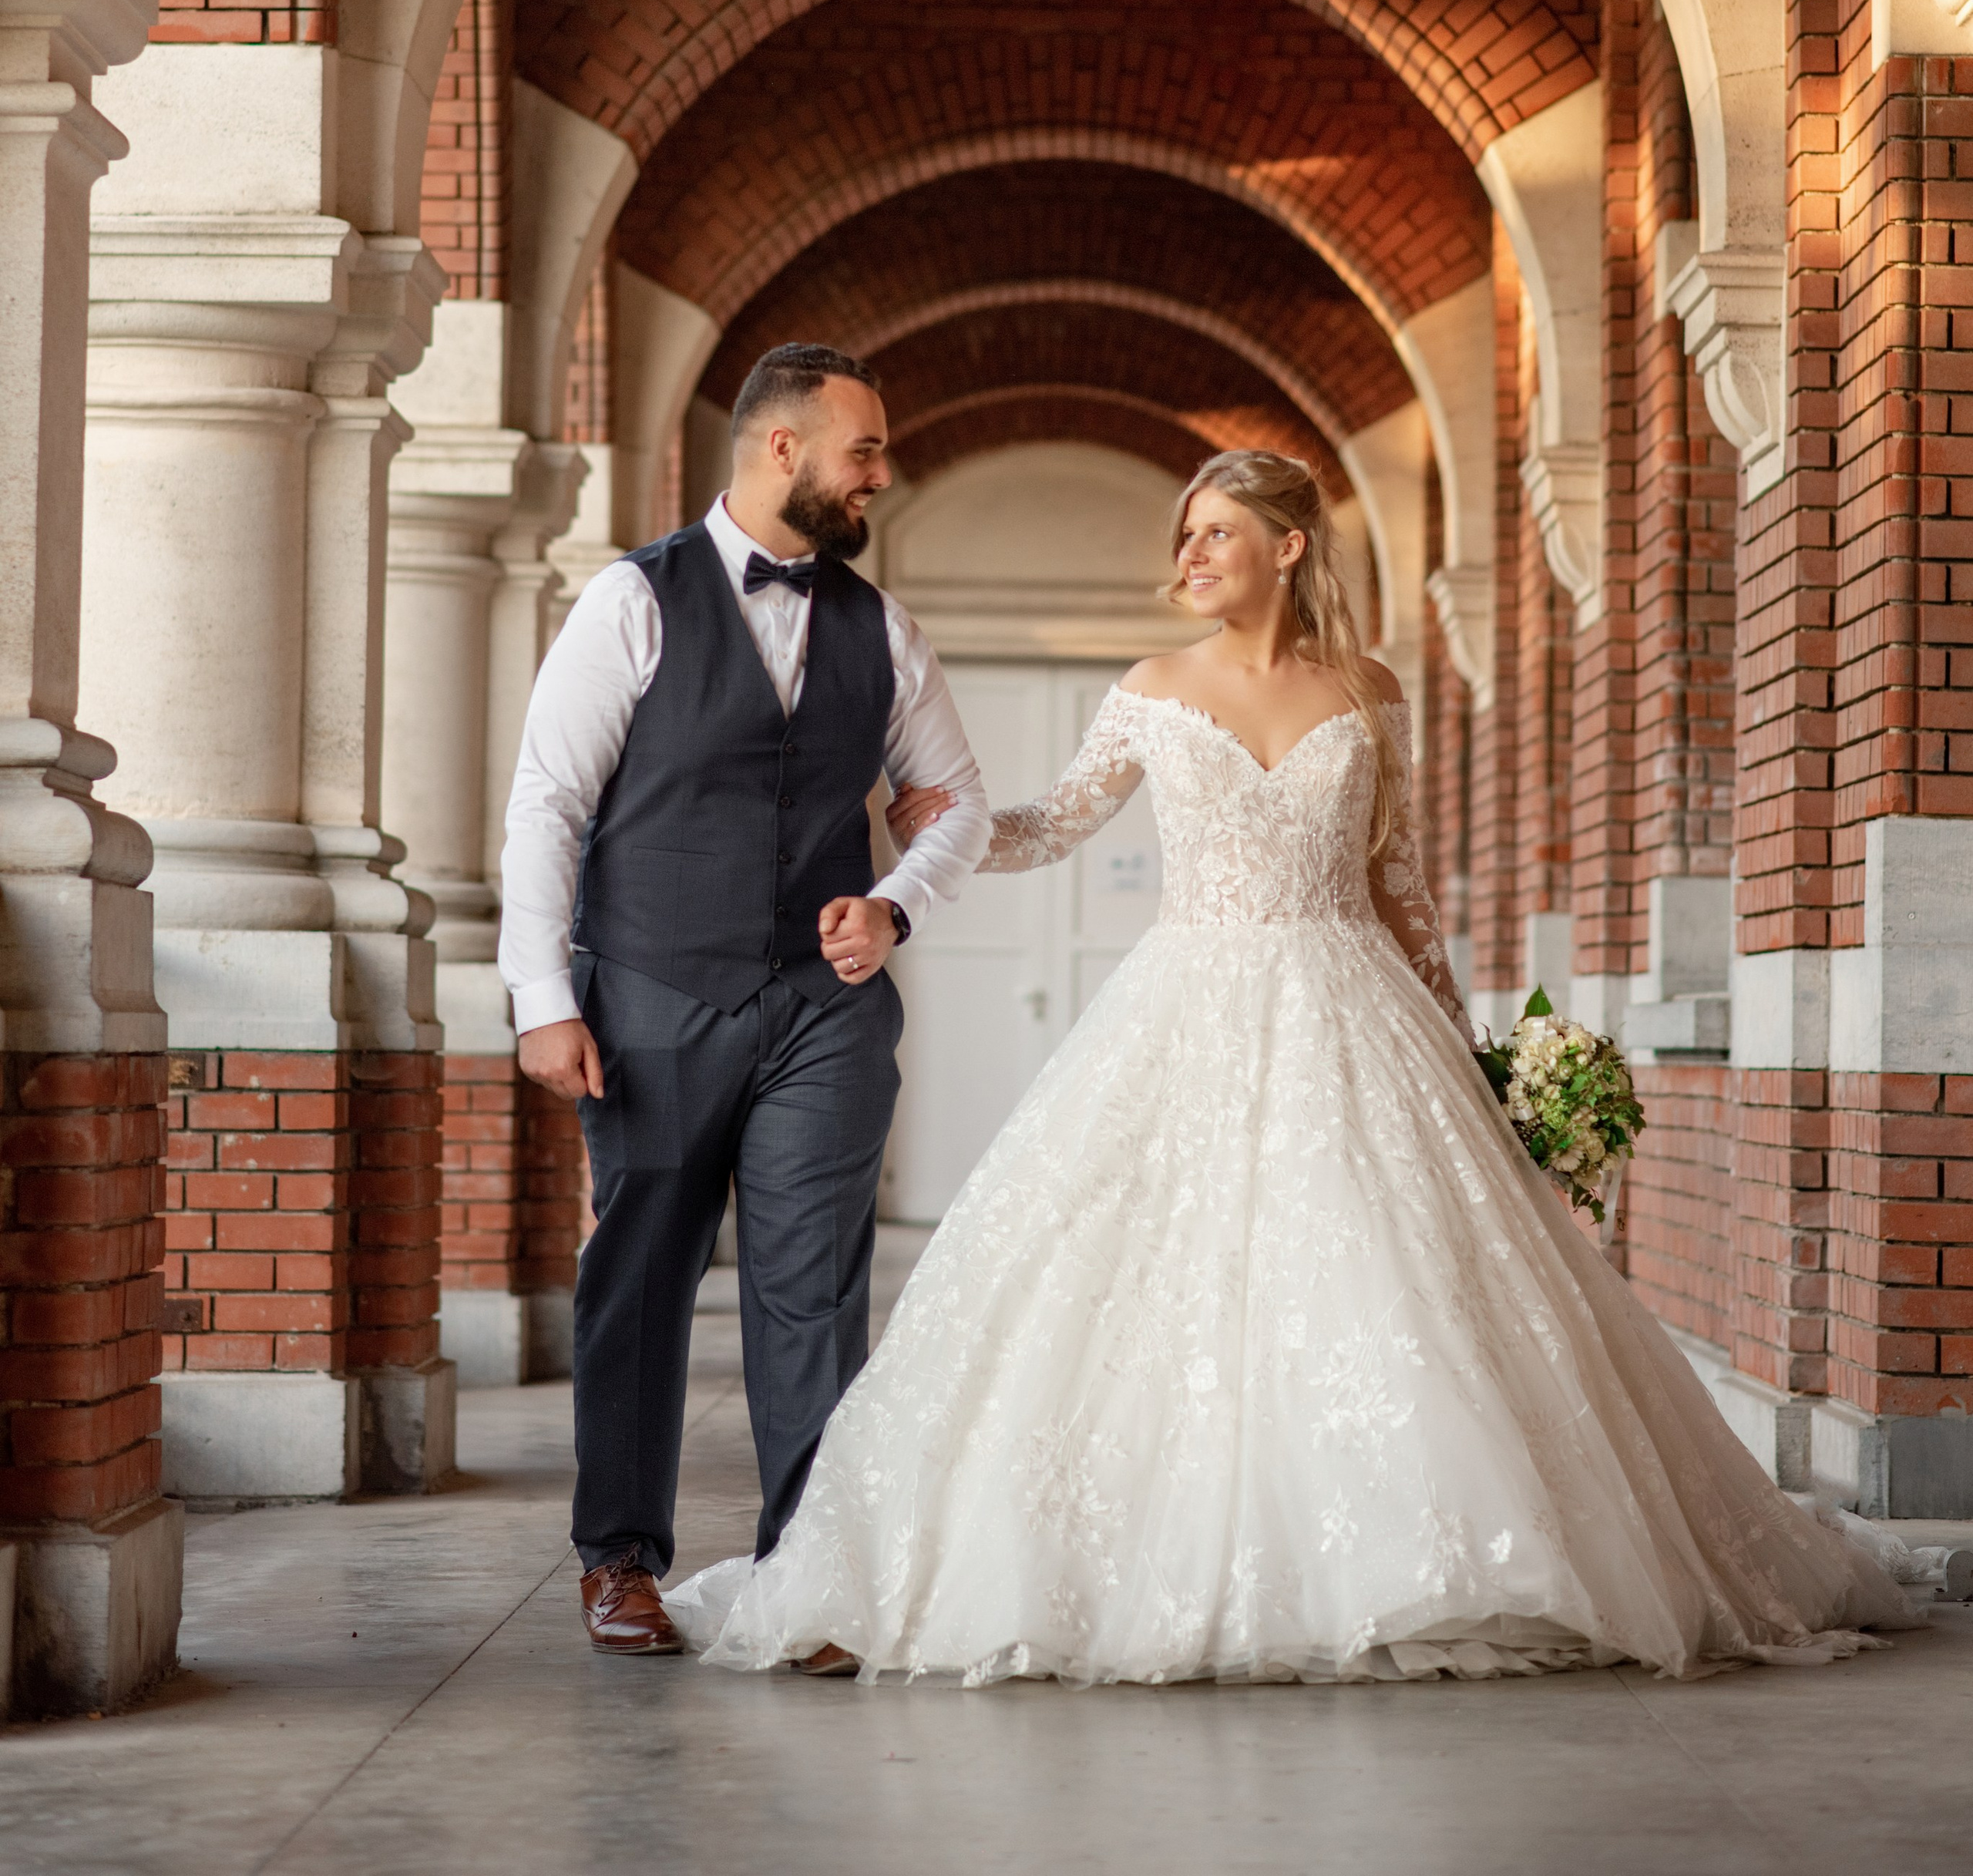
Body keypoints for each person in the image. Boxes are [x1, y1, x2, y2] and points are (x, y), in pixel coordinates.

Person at [674, 449, 1911, 1685]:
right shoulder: (1154, 687)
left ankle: (1438, 1559)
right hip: (1185, 1005)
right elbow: (1054, 822)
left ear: (1289, 545)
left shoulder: (1369, 691)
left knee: (1397, 1278)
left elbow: (1399, 884)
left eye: (1215, 533)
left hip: (1356, 1007)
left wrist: (1471, 1055)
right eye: (1186, 536)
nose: (1191, 558)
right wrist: (937, 830)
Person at [499, 342, 989, 1660]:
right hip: (651, 990)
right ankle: (620, 1559)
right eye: (865, 450)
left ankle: (809, 1572)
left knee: (812, 1286)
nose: (882, 473)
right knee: (643, 1272)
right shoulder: (631, 602)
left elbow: (955, 805)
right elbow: (549, 800)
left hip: (825, 1013)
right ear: (784, 448)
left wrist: (896, 906)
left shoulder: (884, 630)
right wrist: (544, 996)